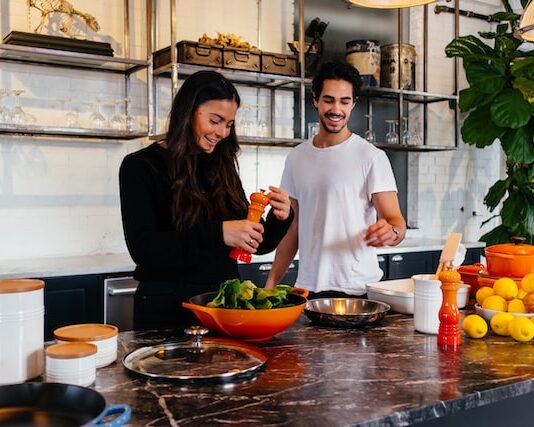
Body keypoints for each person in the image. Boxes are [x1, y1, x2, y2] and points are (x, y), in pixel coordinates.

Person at [119, 70, 293, 330]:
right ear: (188, 112)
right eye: (215, 120)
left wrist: (280, 218)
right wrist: (219, 233)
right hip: (166, 310)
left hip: (223, 308)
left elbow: (254, 244)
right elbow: (145, 250)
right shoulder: (140, 166)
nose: (222, 132)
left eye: (229, 124)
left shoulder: (222, 165)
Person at [265, 60, 406, 297]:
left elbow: (396, 223)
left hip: (358, 289)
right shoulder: (296, 158)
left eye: (344, 101)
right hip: (308, 289)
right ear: (315, 101)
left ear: (353, 104)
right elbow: (293, 228)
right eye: (329, 100)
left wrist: (392, 233)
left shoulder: (372, 157)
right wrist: (270, 283)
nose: (336, 109)